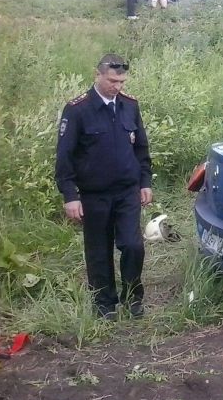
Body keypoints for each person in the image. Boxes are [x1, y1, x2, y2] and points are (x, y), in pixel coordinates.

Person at [55, 54, 153, 320]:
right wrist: (70, 195)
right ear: (98, 75)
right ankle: (104, 303)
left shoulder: (130, 105)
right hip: (93, 194)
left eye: (121, 81)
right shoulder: (78, 109)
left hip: (126, 191)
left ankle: (133, 297)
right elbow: (64, 156)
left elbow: (141, 148)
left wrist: (145, 181)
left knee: (133, 245)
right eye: (112, 80)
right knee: (98, 250)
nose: (117, 86)